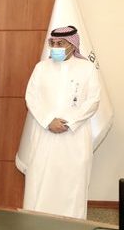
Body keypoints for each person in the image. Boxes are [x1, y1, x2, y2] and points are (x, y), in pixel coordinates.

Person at [21, 26, 100, 219]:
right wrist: (49, 120)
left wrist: (69, 122)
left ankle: (72, 225)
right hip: (44, 132)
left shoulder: (87, 68)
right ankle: (37, 223)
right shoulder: (41, 68)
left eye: (60, 43)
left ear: (72, 45)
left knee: (72, 183)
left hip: (74, 135)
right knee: (41, 180)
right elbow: (31, 97)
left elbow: (93, 100)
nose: (55, 47)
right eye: (53, 43)